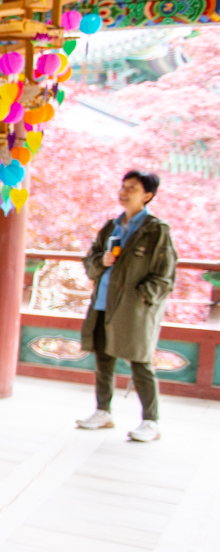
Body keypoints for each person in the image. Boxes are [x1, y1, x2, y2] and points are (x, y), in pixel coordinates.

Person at [76, 170, 177, 442]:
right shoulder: (111, 226)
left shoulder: (156, 230)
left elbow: (165, 276)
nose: (124, 192)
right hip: (102, 303)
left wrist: (143, 298)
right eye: (123, 186)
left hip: (134, 308)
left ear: (147, 196)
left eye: (132, 188)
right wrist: (101, 261)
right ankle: (103, 411)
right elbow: (89, 262)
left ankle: (151, 421)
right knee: (103, 360)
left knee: (140, 362)